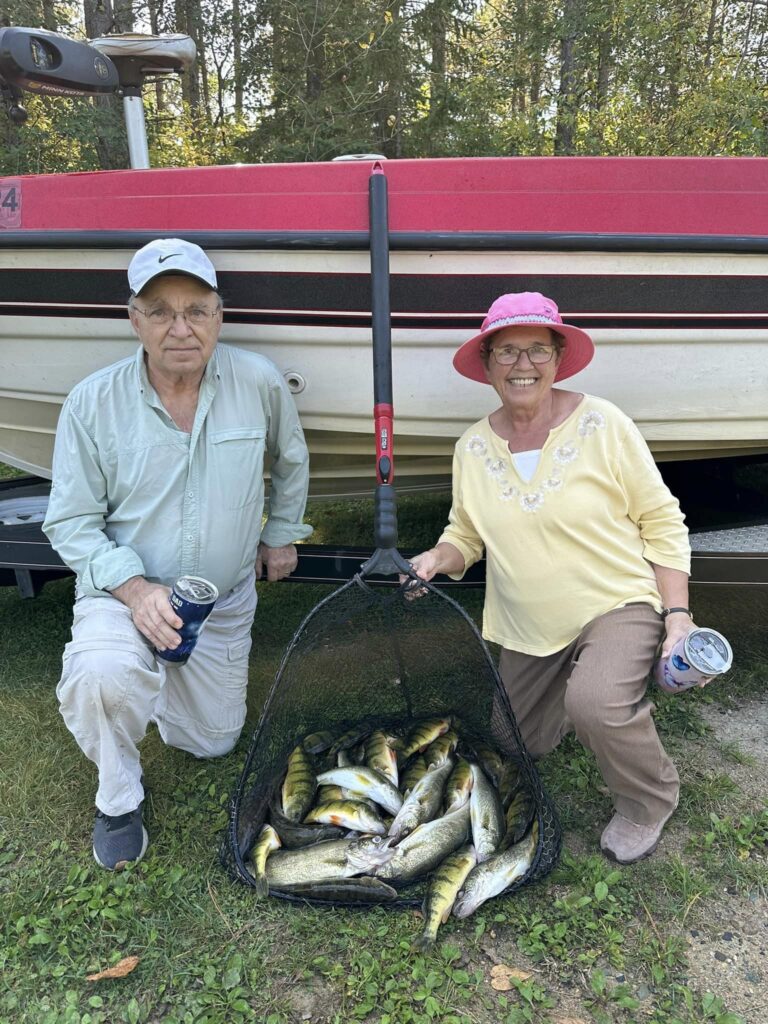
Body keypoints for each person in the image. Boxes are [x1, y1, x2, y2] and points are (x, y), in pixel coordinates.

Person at [43, 238, 312, 870]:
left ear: (220, 317)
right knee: (101, 680)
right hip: (123, 595)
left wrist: (282, 532)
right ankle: (118, 796)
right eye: (160, 311)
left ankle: (156, 682)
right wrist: (136, 593)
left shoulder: (257, 380)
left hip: (218, 602)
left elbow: (291, 458)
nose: (180, 327)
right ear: (134, 320)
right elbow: (71, 521)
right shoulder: (92, 402)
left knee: (213, 742)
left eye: (197, 309)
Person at [407, 291, 694, 865]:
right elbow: (466, 534)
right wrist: (439, 558)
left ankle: (648, 798)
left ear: (558, 357)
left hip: (615, 600)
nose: (522, 365)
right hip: (527, 623)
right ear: (487, 364)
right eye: (507, 351)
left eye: (537, 349)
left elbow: (661, 518)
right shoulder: (471, 448)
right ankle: (576, 684)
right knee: (515, 745)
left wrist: (678, 616)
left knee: (597, 704)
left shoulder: (603, 423)